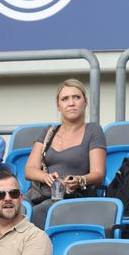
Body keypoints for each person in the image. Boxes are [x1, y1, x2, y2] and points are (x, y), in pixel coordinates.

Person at [24, 79, 107, 229]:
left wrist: (79, 180)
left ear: (85, 102)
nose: (71, 103)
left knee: (40, 211)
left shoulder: (94, 130)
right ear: (58, 106)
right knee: (16, 208)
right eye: (65, 99)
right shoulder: (49, 131)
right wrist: (45, 177)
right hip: (43, 192)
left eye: (76, 97)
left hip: (73, 195)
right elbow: (29, 170)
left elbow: (98, 174)